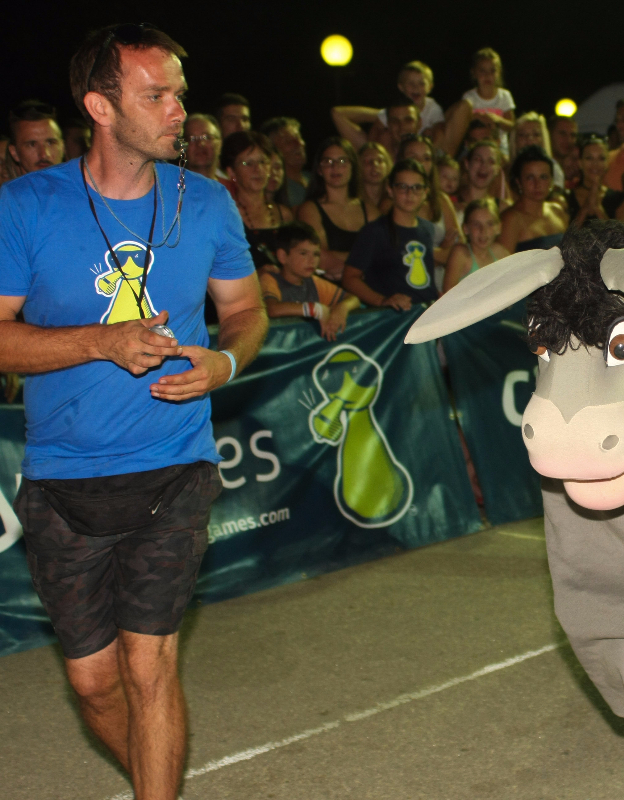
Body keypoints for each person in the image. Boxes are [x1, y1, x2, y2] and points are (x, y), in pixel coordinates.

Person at [0, 25, 267, 800]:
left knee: (150, 665)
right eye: (157, 94)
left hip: (174, 467)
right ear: (100, 107)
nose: (179, 109)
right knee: (93, 683)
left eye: (179, 92)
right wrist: (101, 341)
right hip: (62, 477)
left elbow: (246, 312)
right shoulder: (25, 205)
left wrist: (225, 361)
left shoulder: (207, 203)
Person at [342, 159, 439, 310]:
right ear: (390, 189)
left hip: (427, 312)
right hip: (395, 317)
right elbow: (350, 278)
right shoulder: (375, 231)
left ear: (426, 192)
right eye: (402, 187)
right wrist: (382, 300)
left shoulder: (427, 228)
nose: (410, 194)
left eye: (417, 187)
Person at [260, 221, 359, 340]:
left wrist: (342, 308)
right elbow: (271, 309)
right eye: (303, 253)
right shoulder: (269, 279)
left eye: (316, 254)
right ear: (283, 256)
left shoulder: (314, 282)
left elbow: (353, 299)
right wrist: (315, 309)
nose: (312, 260)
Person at [296, 137, 376, 282]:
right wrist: (364, 260)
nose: (335, 167)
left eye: (342, 161)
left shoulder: (369, 210)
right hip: (329, 287)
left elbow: (384, 253)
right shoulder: (310, 209)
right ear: (319, 169)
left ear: (353, 166)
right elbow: (319, 256)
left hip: (367, 285)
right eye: (328, 161)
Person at [220, 130, 294, 270]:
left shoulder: (283, 214)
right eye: (248, 163)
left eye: (262, 162)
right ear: (231, 172)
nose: (257, 169)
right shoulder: (225, 215)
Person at [399, 135, 464, 272]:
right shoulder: (391, 202)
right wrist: (443, 249)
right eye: (413, 156)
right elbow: (400, 254)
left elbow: (459, 249)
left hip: (442, 277)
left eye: (426, 158)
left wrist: (428, 253)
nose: (420, 163)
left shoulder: (441, 199)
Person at [498, 145, 568, 252]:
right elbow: (502, 259)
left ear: (551, 181)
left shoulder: (557, 211)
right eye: (530, 178)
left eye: (543, 177)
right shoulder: (511, 220)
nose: (537, 184)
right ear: (518, 182)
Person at [456, 48, 515, 156]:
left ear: (499, 73)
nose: (487, 75)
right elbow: (461, 125)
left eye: (492, 71)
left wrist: (497, 120)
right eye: (482, 71)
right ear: (474, 73)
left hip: (499, 146)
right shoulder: (469, 97)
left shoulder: (504, 96)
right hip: (473, 145)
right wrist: (478, 117)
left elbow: (511, 125)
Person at [443, 198, 510, 292]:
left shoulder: (499, 252)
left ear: (498, 228)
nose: (483, 231)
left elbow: (515, 281)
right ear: (466, 229)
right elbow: (448, 292)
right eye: (476, 224)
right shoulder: (461, 254)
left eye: (490, 224)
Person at [567, 135, 624, 226]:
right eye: (589, 158)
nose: (595, 164)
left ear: (607, 163)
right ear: (580, 163)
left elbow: (621, 234)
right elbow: (566, 234)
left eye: (601, 158)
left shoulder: (620, 199)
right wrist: (585, 208)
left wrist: (598, 209)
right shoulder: (566, 198)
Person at [331, 100, 420, 163]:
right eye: (394, 121)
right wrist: (381, 116)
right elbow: (338, 113)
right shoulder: (374, 156)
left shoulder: (427, 152)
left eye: (408, 120)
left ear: (419, 123)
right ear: (388, 124)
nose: (402, 127)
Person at [4, 100, 65, 185]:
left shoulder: (81, 189)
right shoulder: (8, 193)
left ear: (62, 147)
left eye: (50, 143)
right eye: (32, 144)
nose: (44, 154)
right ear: (14, 153)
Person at [261, 117, 308, 208]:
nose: (298, 143)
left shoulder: (315, 178)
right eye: (288, 141)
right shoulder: (276, 188)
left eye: (298, 137)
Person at [511, 111, 565, 188]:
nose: (529, 139)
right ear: (514, 140)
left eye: (536, 134)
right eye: (522, 135)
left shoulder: (554, 170)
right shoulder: (505, 170)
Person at [455, 139, 510, 214]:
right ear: (467, 164)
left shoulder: (503, 209)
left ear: (497, 169)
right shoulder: (451, 203)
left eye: (491, 162)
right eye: (478, 159)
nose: (483, 166)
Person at [183, 113, 223, 181]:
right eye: (192, 139)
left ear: (220, 144)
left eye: (207, 137)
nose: (200, 144)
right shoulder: (172, 185)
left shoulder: (230, 187)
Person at [358, 141, 393, 218]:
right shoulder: (353, 200)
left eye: (380, 160)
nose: (375, 165)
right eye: (367, 161)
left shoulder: (395, 200)